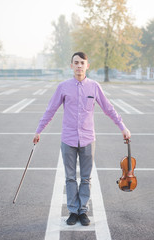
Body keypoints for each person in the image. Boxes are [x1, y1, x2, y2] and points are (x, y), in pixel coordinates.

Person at [33, 52, 130, 226]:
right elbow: (50, 110)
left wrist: (122, 127)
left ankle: (83, 211)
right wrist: (39, 130)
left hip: (87, 139)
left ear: (87, 65)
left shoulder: (94, 87)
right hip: (68, 139)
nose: (79, 66)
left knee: (86, 178)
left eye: (82, 63)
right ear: (71, 66)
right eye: (76, 63)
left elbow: (108, 108)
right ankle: (72, 211)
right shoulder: (63, 87)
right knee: (70, 178)